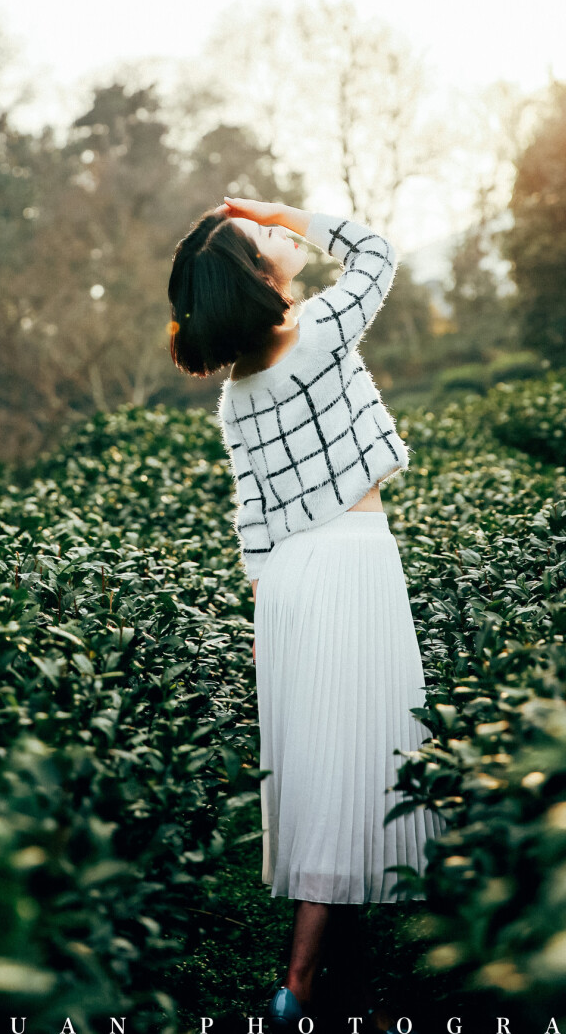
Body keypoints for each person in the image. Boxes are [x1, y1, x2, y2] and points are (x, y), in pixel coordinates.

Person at [167, 195, 443, 1027]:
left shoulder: (238, 398)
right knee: (350, 762)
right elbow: (376, 253)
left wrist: (266, 619)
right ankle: (300, 982)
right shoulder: (319, 333)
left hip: (287, 582)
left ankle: (326, 954)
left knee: (328, 759)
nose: (279, 237)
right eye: (263, 239)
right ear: (258, 277)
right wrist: (287, 206)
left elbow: (252, 521)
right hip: (351, 561)